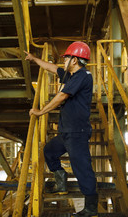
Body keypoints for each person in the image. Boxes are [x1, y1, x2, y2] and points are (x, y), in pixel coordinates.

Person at [25, 41, 98, 217]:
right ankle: (61, 180)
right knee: (49, 151)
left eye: (66, 58)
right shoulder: (70, 75)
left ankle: (91, 208)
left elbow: (62, 95)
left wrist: (41, 112)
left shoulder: (83, 76)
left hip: (77, 133)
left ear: (74, 60)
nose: (63, 61)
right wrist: (34, 59)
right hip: (66, 132)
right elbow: (52, 68)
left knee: (82, 167)